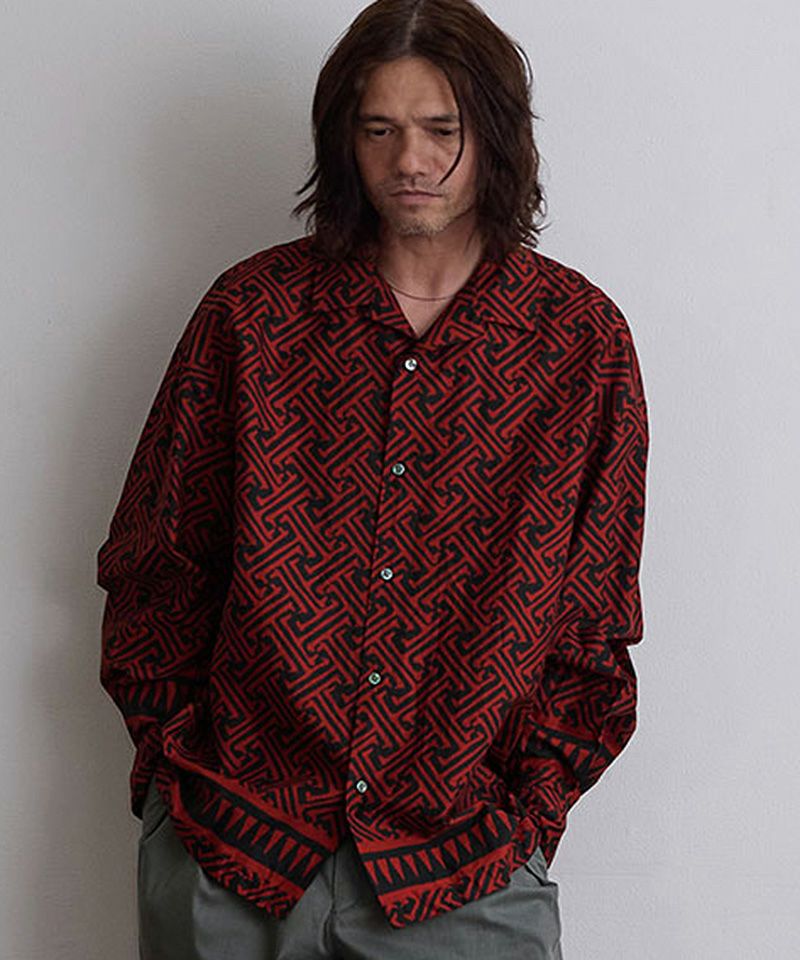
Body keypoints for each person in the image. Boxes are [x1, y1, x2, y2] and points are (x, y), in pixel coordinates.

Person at [96, 1, 649, 957]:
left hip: (465, 867)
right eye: (379, 129)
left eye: (442, 129)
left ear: (497, 136)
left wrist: (527, 814)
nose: (410, 161)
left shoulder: (577, 343)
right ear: (342, 140)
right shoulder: (252, 317)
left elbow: (595, 616)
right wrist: (171, 770)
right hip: (232, 846)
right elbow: (158, 561)